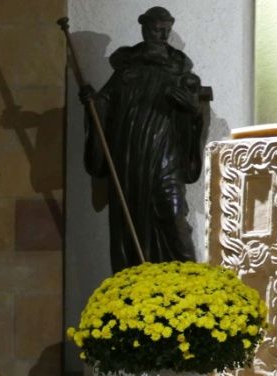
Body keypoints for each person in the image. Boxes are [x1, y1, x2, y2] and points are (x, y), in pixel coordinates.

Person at [80, 6, 206, 272]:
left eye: (167, 30)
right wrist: (93, 101)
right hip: (131, 156)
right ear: (144, 28)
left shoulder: (179, 68)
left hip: (166, 156)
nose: (163, 36)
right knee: (132, 222)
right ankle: (135, 283)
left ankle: (190, 283)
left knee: (174, 218)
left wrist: (194, 110)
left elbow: (195, 110)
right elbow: (104, 103)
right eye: (157, 29)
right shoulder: (127, 68)